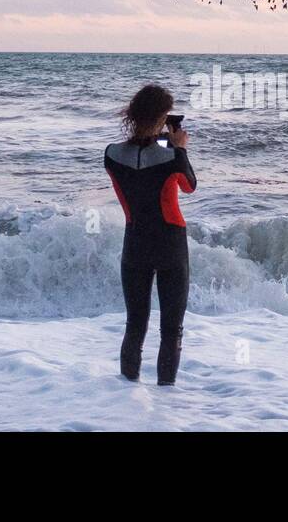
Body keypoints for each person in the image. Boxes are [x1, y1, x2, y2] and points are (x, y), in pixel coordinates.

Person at [104, 84, 196, 385]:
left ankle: (127, 394)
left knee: (135, 325)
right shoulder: (171, 158)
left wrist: (157, 139)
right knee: (171, 329)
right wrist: (178, 146)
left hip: (135, 246)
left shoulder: (112, 155)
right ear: (161, 120)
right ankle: (165, 401)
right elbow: (188, 185)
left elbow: (138, 160)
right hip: (170, 246)